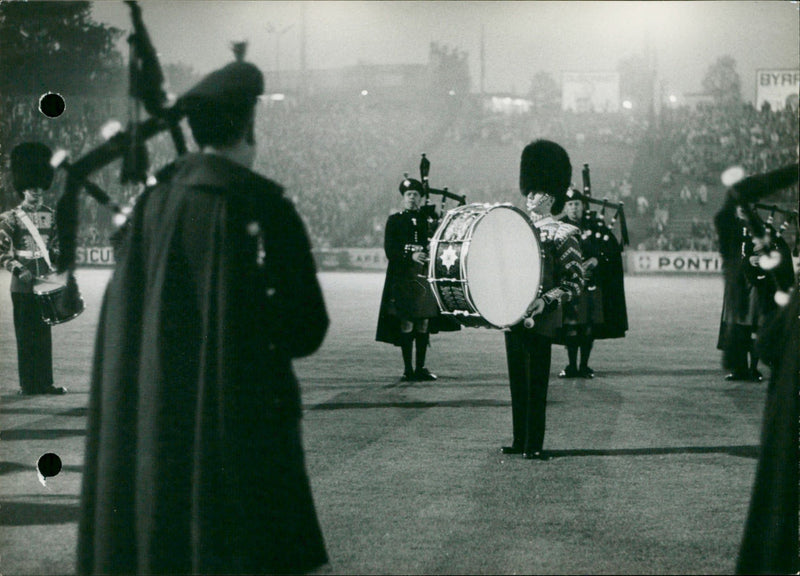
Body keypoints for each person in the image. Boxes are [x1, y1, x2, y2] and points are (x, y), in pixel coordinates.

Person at [77, 58, 330, 575]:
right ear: (248, 124)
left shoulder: (150, 204)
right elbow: (306, 329)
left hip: (157, 421)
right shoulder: (262, 204)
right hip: (241, 421)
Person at [500, 139, 584, 460]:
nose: (531, 197)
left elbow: (574, 281)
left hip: (542, 316)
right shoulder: (514, 229)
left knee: (536, 383)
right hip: (513, 315)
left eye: (537, 192)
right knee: (517, 381)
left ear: (551, 196)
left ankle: (534, 442)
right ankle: (519, 438)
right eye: (530, 191)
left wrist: (547, 301)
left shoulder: (563, 233)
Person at [0, 142, 67, 395]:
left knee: (43, 336)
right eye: (31, 188)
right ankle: (28, 384)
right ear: (22, 189)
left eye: (40, 187)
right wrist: (19, 269)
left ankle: (45, 383)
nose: (37, 192)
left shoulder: (52, 215)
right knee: (26, 337)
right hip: (22, 285)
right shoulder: (10, 218)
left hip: (44, 284)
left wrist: (57, 263)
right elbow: (1, 252)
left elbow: (57, 245)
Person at [375, 177, 442, 382]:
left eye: (416, 195)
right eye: (409, 195)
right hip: (404, 277)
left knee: (423, 323)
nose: (412, 198)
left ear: (421, 198)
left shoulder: (428, 220)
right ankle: (408, 370)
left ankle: (420, 368)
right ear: (403, 198)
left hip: (424, 275)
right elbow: (390, 251)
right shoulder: (394, 220)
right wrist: (410, 255)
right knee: (406, 323)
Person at [556, 188, 628, 378]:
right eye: (570, 204)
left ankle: (584, 366)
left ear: (583, 205)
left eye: (577, 204)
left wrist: (596, 260)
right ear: (565, 207)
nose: (574, 208)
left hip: (592, 285)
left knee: (589, 327)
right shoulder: (559, 226)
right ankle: (572, 366)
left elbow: (610, 248)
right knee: (571, 328)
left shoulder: (595, 224)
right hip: (570, 286)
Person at [716, 206, 769, 381]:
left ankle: (753, 370)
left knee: (753, 325)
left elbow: (769, 248)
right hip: (736, 283)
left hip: (752, 283)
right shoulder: (732, 226)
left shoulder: (759, 226)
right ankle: (739, 368)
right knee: (736, 327)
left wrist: (760, 257)